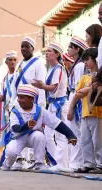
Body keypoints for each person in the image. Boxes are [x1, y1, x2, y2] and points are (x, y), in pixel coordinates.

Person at [0, 84, 77, 171]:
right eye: (18, 97)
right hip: (18, 138)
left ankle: (39, 163)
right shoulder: (15, 111)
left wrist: (70, 135)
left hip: (33, 138)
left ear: (31, 99)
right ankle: (7, 164)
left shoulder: (40, 111)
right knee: (11, 152)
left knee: (39, 136)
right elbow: (15, 128)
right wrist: (26, 126)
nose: (19, 100)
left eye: (22, 97)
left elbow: (56, 123)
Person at [9, 36, 47, 169]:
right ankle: (19, 160)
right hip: (19, 104)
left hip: (33, 104)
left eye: (27, 46)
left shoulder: (38, 64)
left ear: (33, 48)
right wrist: (12, 102)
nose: (24, 49)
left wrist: (41, 106)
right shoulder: (19, 64)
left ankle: (36, 161)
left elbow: (41, 87)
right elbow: (14, 85)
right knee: (20, 131)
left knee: (34, 132)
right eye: (22, 46)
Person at [32, 42, 70, 171]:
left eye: (49, 51)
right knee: (48, 135)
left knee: (59, 135)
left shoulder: (58, 69)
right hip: (53, 105)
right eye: (46, 51)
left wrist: (42, 86)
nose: (46, 53)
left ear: (57, 54)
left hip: (59, 105)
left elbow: (54, 88)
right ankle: (56, 162)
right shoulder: (51, 69)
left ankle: (62, 164)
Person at [67, 48, 102, 173]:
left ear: (95, 59)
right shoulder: (85, 78)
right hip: (85, 113)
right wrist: (71, 107)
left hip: (97, 113)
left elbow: (82, 92)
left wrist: (84, 91)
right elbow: (77, 94)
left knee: (97, 141)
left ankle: (100, 164)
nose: (86, 63)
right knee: (85, 140)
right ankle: (88, 163)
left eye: (88, 59)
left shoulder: (99, 77)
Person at [66, 35, 88, 170]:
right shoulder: (76, 65)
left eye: (70, 47)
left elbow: (79, 87)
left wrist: (72, 106)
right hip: (73, 96)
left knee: (76, 132)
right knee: (73, 131)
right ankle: (75, 162)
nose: (68, 49)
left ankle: (76, 162)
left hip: (76, 98)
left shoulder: (79, 66)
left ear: (77, 49)